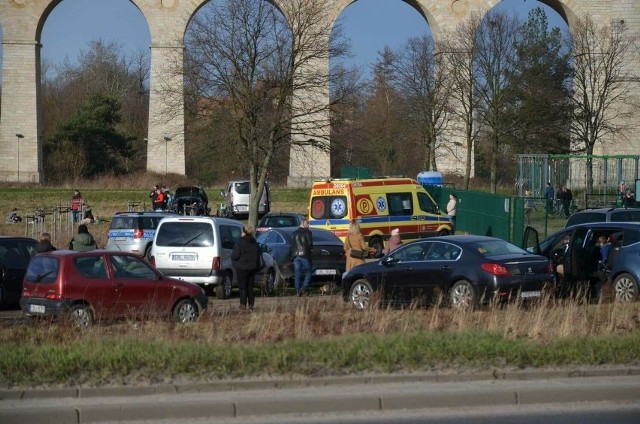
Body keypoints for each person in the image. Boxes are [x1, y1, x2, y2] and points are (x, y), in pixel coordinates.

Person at [231, 224, 261, 311]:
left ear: (244, 232)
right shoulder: (254, 243)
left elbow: (235, 255)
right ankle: (251, 304)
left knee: (242, 287)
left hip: (241, 268)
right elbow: (258, 254)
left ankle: (243, 304)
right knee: (250, 287)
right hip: (252, 268)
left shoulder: (239, 243)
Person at [290, 218, 313, 296]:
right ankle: (304, 287)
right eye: (307, 224)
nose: (308, 225)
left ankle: (297, 291)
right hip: (305, 255)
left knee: (297, 274)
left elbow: (291, 245)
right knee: (309, 271)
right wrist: (311, 249)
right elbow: (310, 244)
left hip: (296, 256)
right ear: (303, 224)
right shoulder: (308, 232)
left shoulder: (293, 233)